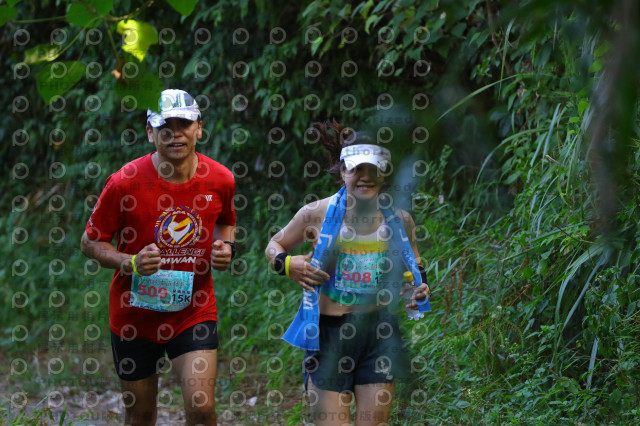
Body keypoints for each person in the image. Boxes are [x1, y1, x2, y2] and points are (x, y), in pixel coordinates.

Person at [80, 89, 236, 426]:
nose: (175, 134)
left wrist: (225, 247)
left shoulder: (221, 179)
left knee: (201, 407)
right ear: (150, 132)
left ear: (199, 128)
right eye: (165, 127)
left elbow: (226, 221)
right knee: (140, 416)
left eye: (184, 124)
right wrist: (129, 262)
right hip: (134, 316)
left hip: (193, 309)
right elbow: (90, 242)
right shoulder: (124, 183)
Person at [265, 120, 430, 425]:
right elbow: (274, 245)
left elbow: (414, 263)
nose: (365, 177)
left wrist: (417, 287)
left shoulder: (400, 220)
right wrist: (288, 265)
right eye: (356, 169)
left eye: (373, 169)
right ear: (342, 171)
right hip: (328, 334)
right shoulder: (316, 213)